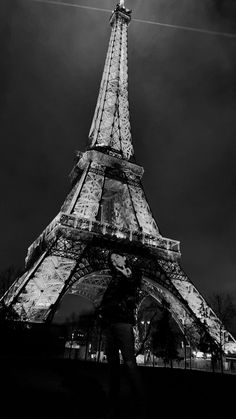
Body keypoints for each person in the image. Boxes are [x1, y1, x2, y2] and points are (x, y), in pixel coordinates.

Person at [98, 252, 147, 419]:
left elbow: (134, 286)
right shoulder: (115, 277)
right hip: (109, 323)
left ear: (125, 258)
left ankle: (140, 403)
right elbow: (107, 298)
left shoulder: (130, 273)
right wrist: (101, 314)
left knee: (129, 362)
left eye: (117, 257)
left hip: (123, 322)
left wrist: (128, 275)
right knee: (113, 366)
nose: (114, 260)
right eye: (112, 260)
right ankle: (114, 403)